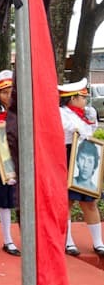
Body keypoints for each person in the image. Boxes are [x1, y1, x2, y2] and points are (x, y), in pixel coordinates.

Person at [59, 78, 104, 257]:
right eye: (82, 97)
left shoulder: (84, 113)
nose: (85, 101)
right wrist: (86, 123)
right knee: (67, 202)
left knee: (90, 201)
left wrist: (91, 120)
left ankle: (98, 242)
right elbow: (76, 130)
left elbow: (89, 134)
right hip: (68, 155)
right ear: (72, 98)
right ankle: (68, 241)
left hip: (85, 153)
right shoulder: (61, 113)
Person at [0, 70, 21, 257]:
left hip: (23, 160)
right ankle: (8, 240)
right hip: (4, 159)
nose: (8, 96)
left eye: (11, 91)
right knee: (6, 201)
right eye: (4, 92)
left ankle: (28, 237)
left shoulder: (23, 110)